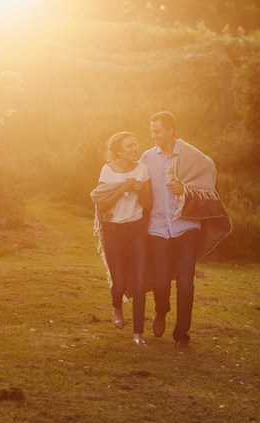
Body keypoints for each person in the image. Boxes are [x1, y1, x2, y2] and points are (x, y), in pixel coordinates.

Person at [139, 111, 231, 350]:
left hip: (186, 225)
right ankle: (161, 311)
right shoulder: (147, 158)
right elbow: (138, 184)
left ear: (170, 130)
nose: (153, 135)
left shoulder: (192, 155)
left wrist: (185, 189)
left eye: (157, 131)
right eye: (152, 131)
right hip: (157, 228)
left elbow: (208, 175)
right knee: (160, 283)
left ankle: (182, 335)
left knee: (185, 283)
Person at [91, 131, 152, 346]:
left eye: (135, 144)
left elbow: (147, 205)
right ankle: (117, 306)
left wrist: (140, 189)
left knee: (138, 282)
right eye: (129, 146)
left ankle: (137, 335)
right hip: (113, 231)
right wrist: (123, 187)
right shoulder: (107, 171)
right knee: (119, 283)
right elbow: (102, 204)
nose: (134, 149)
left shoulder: (143, 170)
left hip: (137, 230)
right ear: (118, 151)